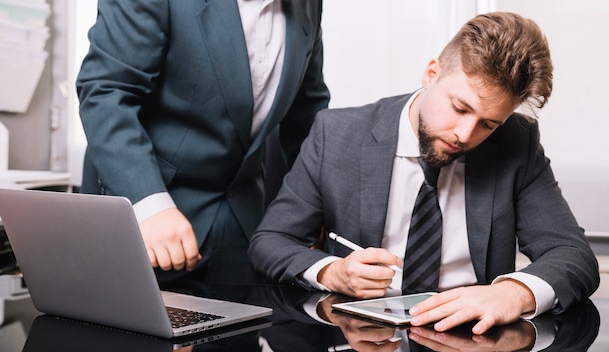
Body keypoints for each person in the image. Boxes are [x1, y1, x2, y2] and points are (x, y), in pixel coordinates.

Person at [248, 11, 599, 334]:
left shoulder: (516, 143)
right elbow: (270, 242)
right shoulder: (337, 135)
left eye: (488, 124)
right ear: (432, 73)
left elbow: (573, 255)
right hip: (364, 336)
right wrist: (332, 271)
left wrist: (513, 293)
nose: (465, 134)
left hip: (469, 338)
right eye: (459, 107)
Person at [76, 0, 330, 286]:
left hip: (242, 228)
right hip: (145, 219)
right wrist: (148, 204)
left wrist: (318, 208)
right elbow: (107, 94)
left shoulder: (309, 5)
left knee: (240, 330)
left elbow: (308, 113)